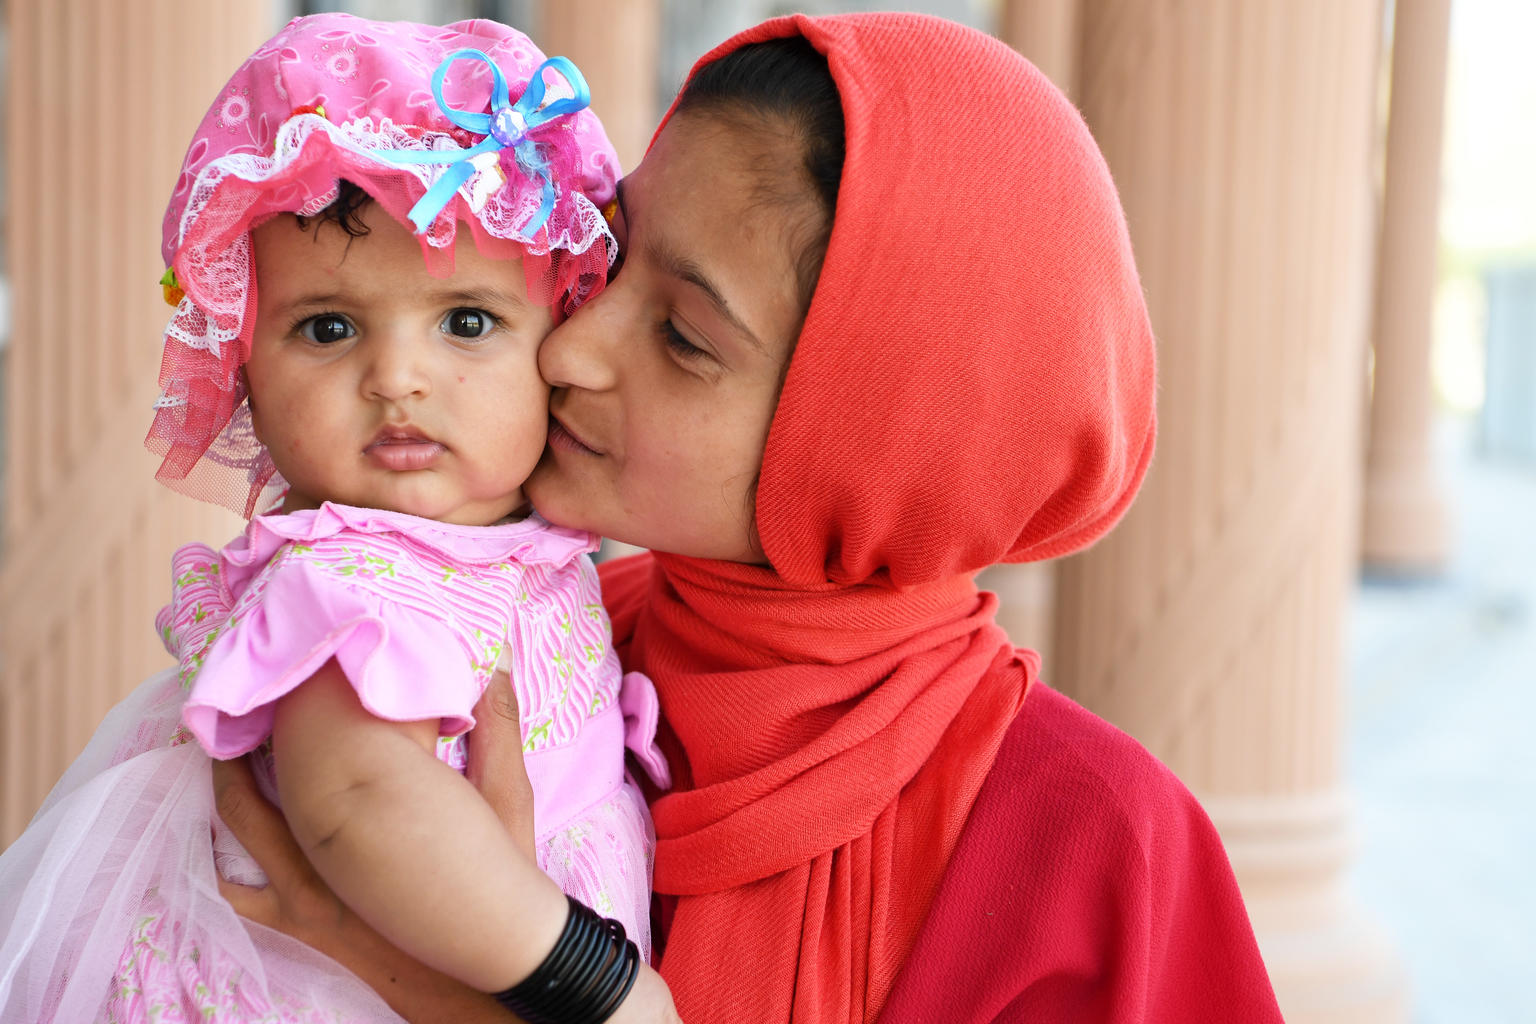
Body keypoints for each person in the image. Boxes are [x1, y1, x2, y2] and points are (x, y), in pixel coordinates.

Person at [138, 10, 1286, 1024]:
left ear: (871, 437)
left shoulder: (1092, 851)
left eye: (683, 337)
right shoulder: (524, 635)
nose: (575, 345)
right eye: (611, 260)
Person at [0, 13, 672, 1022]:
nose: (398, 378)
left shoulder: (510, 554)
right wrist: (600, 988)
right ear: (245, 372)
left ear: (562, 333)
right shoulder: (350, 579)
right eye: (328, 327)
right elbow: (361, 802)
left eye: (468, 322)